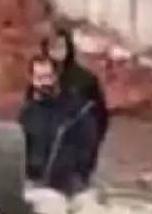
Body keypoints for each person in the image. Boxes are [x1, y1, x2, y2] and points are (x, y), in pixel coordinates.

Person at [19, 54, 99, 195]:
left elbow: (89, 145)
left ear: (56, 77)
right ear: (31, 80)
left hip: (69, 184)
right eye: (39, 78)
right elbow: (20, 149)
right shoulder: (27, 114)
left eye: (48, 77)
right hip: (35, 183)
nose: (45, 83)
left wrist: (78, 175)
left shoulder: (77, 110)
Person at [43, 21, 110, 171]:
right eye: (52, 48)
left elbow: (100, 116)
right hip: (46, 157)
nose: (57, 53)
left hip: (77, 153)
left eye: (60, 47)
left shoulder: (84, 79)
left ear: (68, 48)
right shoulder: (41, 79)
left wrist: (92, 146)